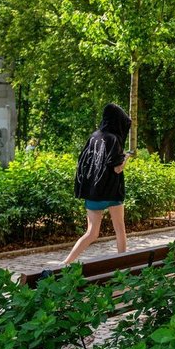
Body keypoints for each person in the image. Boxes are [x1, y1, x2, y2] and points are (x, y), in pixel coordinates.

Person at [60, 103, 133, 266]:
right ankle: (122, 265)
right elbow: (117, 168)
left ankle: (66, 262)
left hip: (94, 192)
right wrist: (127, 156)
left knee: (91, 232)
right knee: (120, 230)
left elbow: (84, 161)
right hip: (112, 193)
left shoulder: (94, 136)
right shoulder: (114, 139)